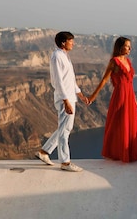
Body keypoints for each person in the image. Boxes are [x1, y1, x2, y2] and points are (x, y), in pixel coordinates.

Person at [88, 36, 137, 162]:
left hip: (130, 96)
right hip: (120, 95)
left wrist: (135, 99)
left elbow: (130, 83)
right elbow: (104, 79)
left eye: (130, 46)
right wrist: (93, 96)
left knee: (131, 123)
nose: (129, 48)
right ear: (120, 47)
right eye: (127, 46)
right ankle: (117, 153)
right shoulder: (114, 62)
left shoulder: (128, 61)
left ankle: (130, 153)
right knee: (118, 123)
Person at [35, 31, 88, 172]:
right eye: (71, 41)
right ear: (63, 42)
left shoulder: (64, 56)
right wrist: (66, 101)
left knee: (64, 128)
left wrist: (80, 94)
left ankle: (44, 152)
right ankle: (65, 162)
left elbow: (69, 79)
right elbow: (58, 81)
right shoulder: (57, 56)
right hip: (64, 98)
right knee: (65, 131)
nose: (73, 43)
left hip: (70, 96)